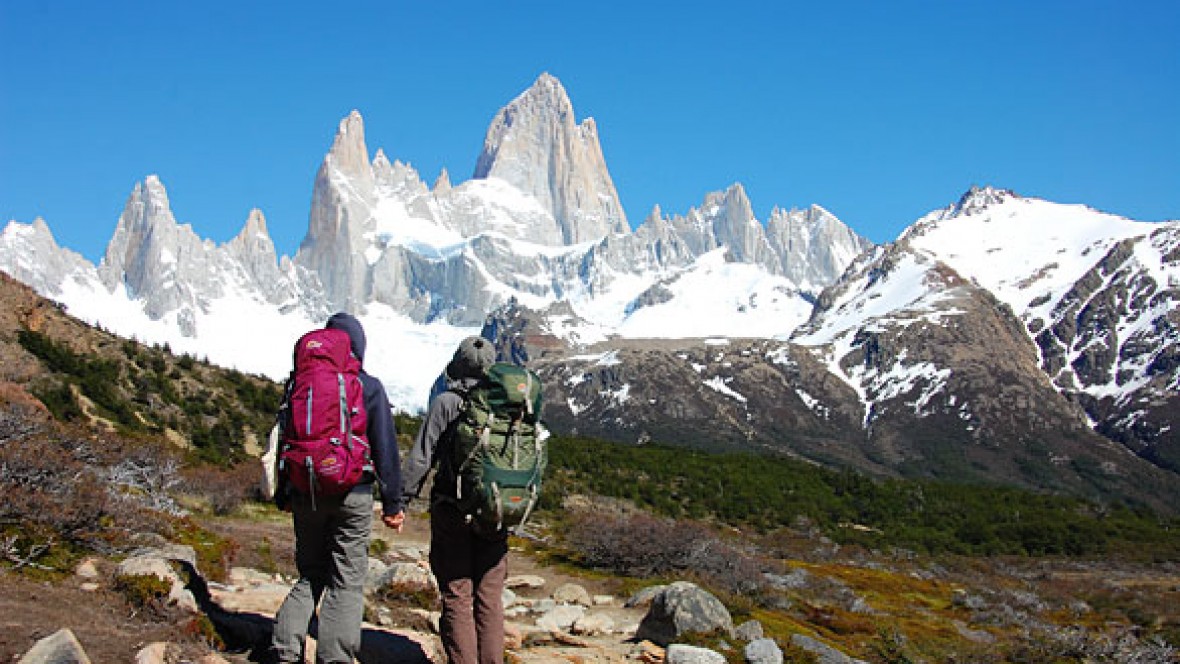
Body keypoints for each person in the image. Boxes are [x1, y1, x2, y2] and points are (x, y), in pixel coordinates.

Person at [270, 312, 405, 664]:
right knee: (346, 580)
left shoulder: (299, 383)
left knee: (310, 573)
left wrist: (285, 493)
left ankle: (285, 649)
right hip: (354, 493)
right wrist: (393, 503)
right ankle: (335, 658)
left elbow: (285, 439)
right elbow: (385, 447)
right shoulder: (367, 386)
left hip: (307, 490)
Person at [402, 335, 505, 664]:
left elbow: (421, 457)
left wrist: (400, 501)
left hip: (453, 509)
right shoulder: (506, 406)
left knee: (458, 593)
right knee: (490, 597)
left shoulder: (446, 402)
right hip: (495, 512)